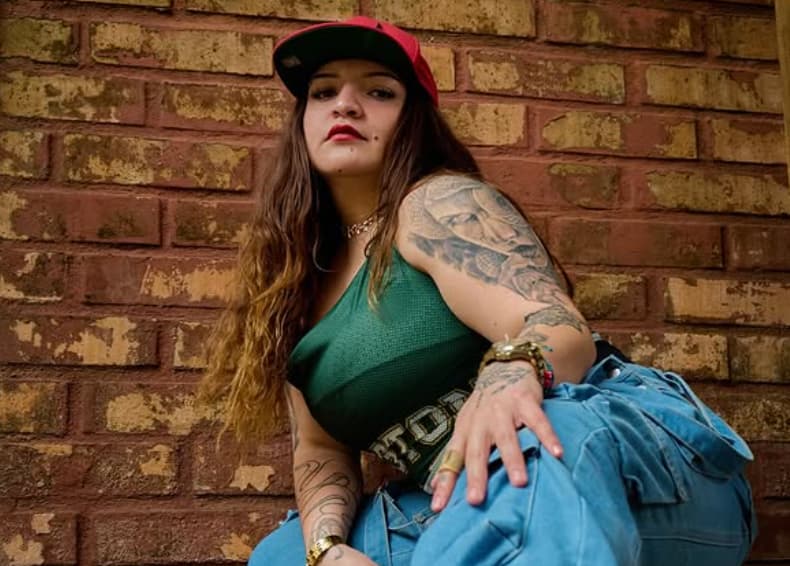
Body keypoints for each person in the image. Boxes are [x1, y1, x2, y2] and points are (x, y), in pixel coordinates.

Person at [198, 16, 757, 566]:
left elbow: (559, 325)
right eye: (324, 92)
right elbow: (321, 452)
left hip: (630, 467)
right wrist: (325, 549)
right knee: (281, 558)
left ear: (413, 120)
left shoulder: (437, 204)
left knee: (522, 440)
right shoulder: (295, 290)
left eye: (379, 91)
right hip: (464, 499)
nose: (345, 104)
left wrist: (506, 376)